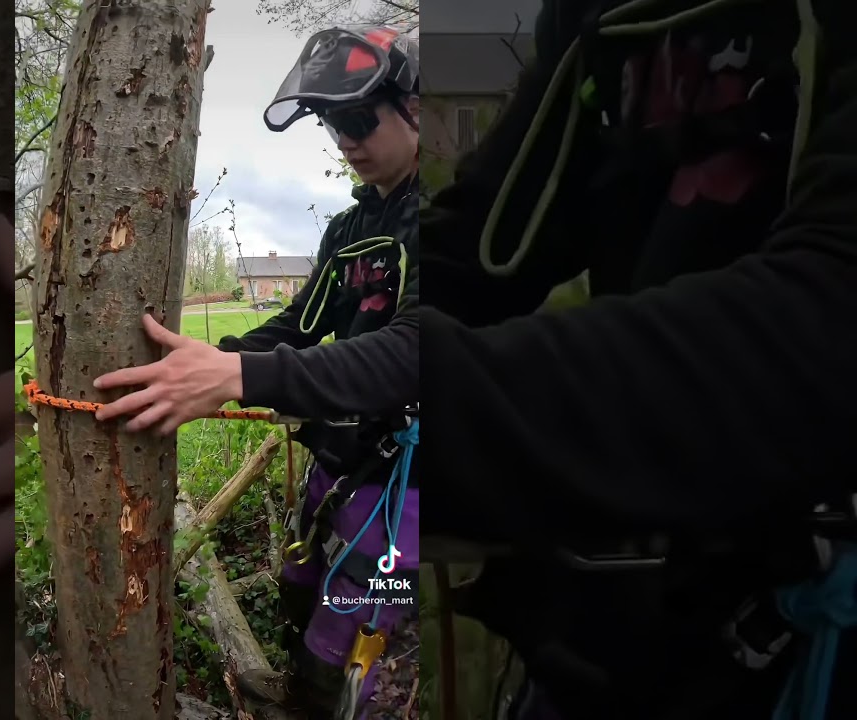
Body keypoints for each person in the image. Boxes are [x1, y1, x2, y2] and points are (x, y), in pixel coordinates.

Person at [413, 1, 857, 719]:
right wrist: (307, 351)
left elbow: (831, 323)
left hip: (816, 622)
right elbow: (482, 240)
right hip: (635, 624)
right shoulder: (605, 15)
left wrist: (430, 396)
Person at [92, 25, 422, 719]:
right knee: (299, 585)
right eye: (334, 126)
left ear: (417, 108)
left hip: (407, 483)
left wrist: (244, 379)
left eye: (360, 119)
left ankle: (331, 706)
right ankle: (296, 691)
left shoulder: (444, 221)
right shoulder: (348, 231)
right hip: (339, 460)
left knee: (350, 628)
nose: (346, 141)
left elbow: (410, 354)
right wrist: (207, 360)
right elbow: (297, 326)